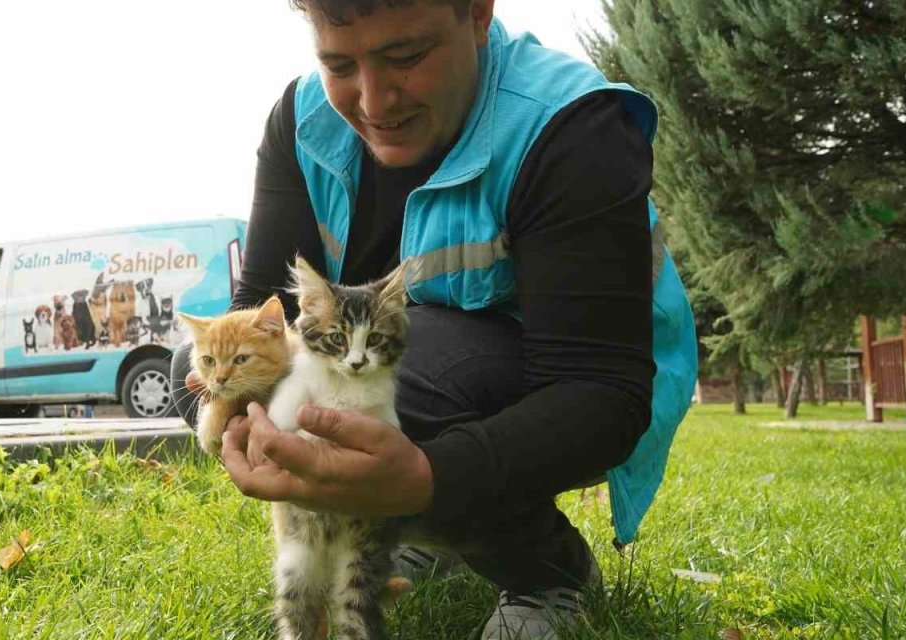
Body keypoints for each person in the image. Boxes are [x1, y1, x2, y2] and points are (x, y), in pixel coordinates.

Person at [169, 0, 698, 637]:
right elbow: (258, 307)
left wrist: (427, 479)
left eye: (406, 56)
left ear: (477, 13)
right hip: (411, 355)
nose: (374, 101)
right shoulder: (301, 119)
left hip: (580, 383)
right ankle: (429, 529)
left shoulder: (570, 125)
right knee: (209, 372)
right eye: (339, 65)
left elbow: (601, 391)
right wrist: (237, 415)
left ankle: (545, 570)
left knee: (385, 395)